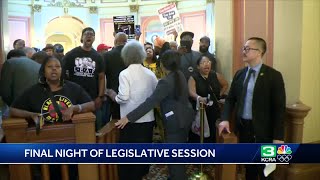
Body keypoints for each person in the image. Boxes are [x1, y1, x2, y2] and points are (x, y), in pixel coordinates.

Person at [10, 55, 95, 180]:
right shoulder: (33, 91)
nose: (54, 69)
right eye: (50, 67)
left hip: (71, 145)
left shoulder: (73, 87)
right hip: (45, 147)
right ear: (43, 71)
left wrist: (74, 108)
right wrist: (31, 115)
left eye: (57, 67)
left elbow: (91, 104)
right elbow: (13, 109)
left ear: (62, 70)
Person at [116, 50, 194, 180]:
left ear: (162, 64)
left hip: (175, 122)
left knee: (174, 158)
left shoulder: (166, 82)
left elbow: (150, 103)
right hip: (184, 118)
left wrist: (128, 117)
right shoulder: (178, 74)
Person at [218, 37, 286, 180]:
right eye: (244, 48)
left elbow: (279, 109)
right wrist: (225, 119)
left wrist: (278, 137)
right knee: (249, 168)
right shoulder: (240, 74)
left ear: (260, 52)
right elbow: (230, 99)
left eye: (248, 48)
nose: (244, 51)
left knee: (266, 171)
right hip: (244, 129)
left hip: (265, 133)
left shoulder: (273, 76)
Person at [107, 41, 158, 180]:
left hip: (130, 120)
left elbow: (123, 98)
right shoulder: (150, 73)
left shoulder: (125, 73)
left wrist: (112, 95)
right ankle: (142, 175)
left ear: (125, 56)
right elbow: (155, 95)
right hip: (148, 119)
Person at [63, 27, 105, 130]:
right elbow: (63, 74)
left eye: (91, 34)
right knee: (74, 125)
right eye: (86, 34)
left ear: (94, 38)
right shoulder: (71, 54)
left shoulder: (98, 57)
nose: (89, 36)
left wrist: (100, 96)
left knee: (95, 125)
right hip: (74, 96)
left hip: (92, 97)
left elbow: (101, 78)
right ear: (82, 37)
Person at [188, 55, 228, 143]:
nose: (206, 64)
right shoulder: (194, 77)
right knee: (201, 133)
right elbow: (191, 92)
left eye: (208, 62)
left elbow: (225, 84)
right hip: (201, 109)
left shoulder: (215, 75)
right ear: (198, 66)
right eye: (203, 63)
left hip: (214, 109)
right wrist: (199, 98)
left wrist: (219, 95)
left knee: (213, 131)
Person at [104, 32, 127, 120]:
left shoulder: (107, 55)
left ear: (115, 41)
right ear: (126, 42)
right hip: (130, 93)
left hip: (113, 93)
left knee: (116, 120)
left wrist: (105, 91)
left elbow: (102, 75)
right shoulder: (132, 55)